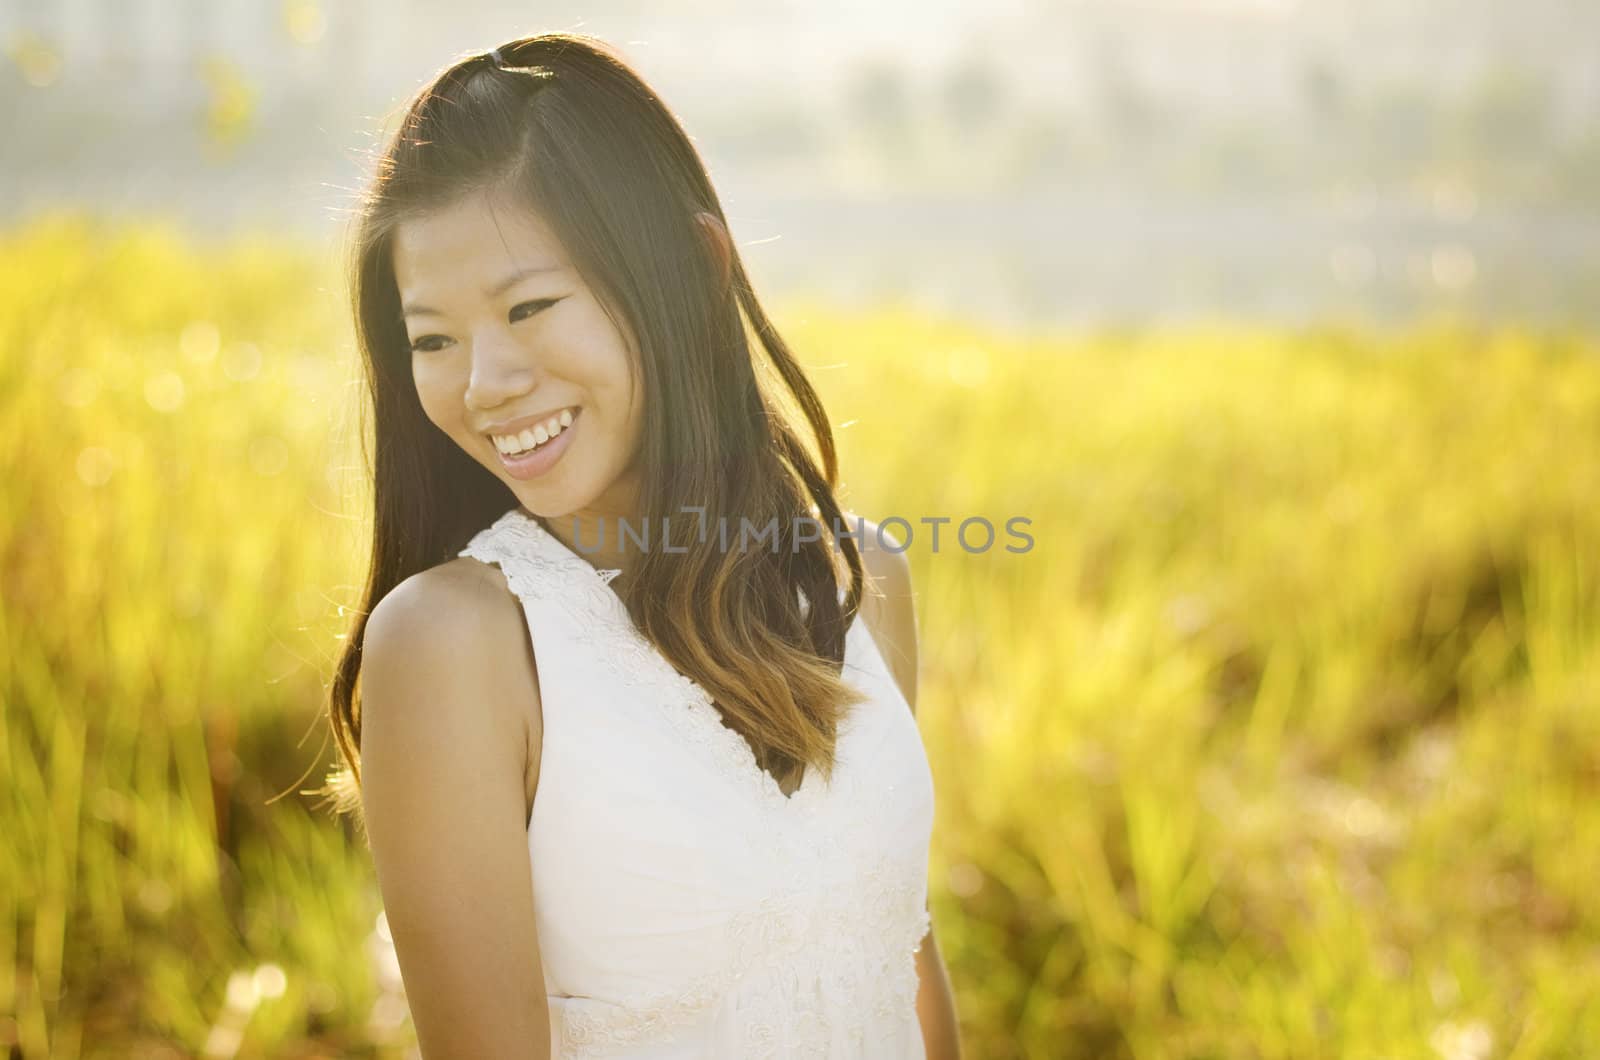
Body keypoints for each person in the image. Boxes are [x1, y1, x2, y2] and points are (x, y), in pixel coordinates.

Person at [320, 32, 961, 1059]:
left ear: (693, 270)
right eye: (431, 337)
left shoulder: (861, 576)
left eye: (528, 307)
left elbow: (904, 959)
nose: (483, 381)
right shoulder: (456, 645)